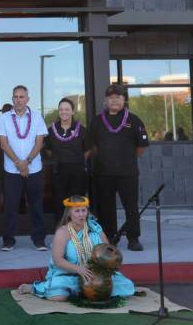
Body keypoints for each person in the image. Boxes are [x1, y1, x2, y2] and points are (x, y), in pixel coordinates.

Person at [18, 195, 135, 301]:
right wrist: (79, 270)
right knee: (58, 297)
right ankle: (36, 288)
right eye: (77, 211)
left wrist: (104, 270)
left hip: (96, 274)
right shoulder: (63, 232)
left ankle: (84, 291)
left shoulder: (96, 229)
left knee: (127, 288)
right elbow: (57, 260)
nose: (81, 214)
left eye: (83, 210)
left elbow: (107, 253)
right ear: (69, 213)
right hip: (71, 273)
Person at [89, 84, 149, 251]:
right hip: (103, 173)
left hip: (127, 173)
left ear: (124, 100)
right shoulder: (96, 121)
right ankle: (109, 238)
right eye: (111, 97)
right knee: (106, 208)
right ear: (105, 101)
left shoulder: (134, 120)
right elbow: (92, 145)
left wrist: (127, 159)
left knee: (131, 207)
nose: (114, 100)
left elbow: (142, 146)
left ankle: (133, 238)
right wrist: (104, 158)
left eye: (118, 97)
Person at [0, 85, 49, 251]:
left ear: (27, 99)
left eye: (21, 97)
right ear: (12, 99)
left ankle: (39, 240)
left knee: (36, 205)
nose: (18, 100)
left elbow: (39, 142)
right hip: (11, 170)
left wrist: (27, 161)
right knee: (11, 206)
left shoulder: (37, 117)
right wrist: (19, 163)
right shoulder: (4, 118)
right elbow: (3, 144)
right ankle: (9, 241)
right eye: (15, 97)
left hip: (34, 169)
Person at [46, 98, 89, 203]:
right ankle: (62, 220)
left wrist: (78, 160)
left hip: (77, 172)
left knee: (77, 202)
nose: (64, 112)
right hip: (58, 171)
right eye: (61, 109)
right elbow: (48, 149)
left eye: (67, 109)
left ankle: (76, 220)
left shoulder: (82, 130)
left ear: (73, 111)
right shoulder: (51, 130)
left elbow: (87, 149)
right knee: (59, 202)